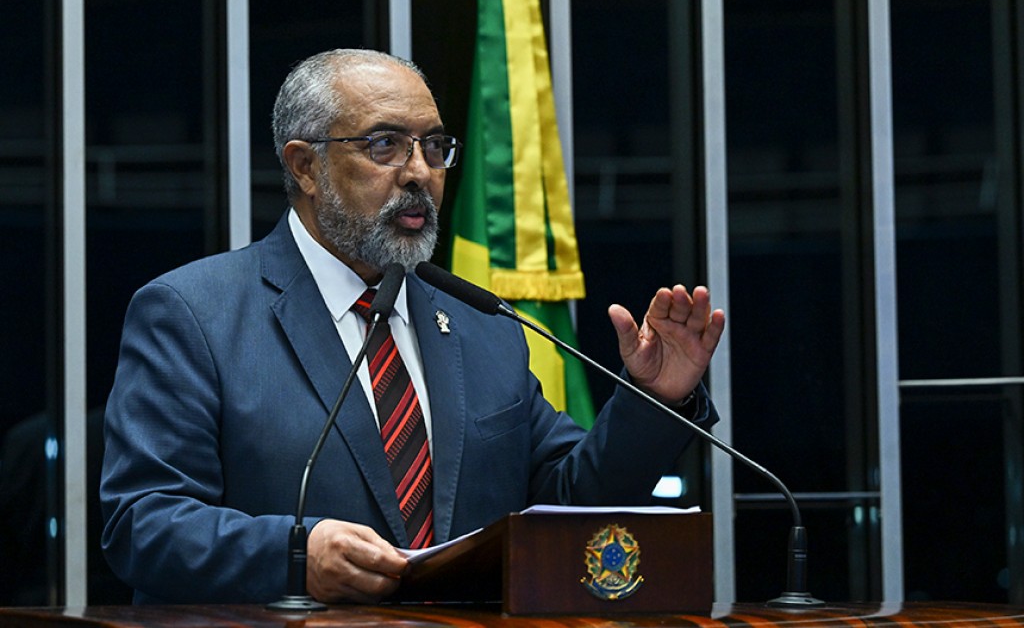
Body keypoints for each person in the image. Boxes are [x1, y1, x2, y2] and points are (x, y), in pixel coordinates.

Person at [100, 48, 726, 605]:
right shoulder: (194, 313)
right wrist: (295, 556)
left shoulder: (482, 324)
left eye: (434, 146)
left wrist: (655, 399)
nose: (419, 172)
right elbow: (141, 523)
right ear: (306, 167)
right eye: (384, 145)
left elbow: (569, 505)